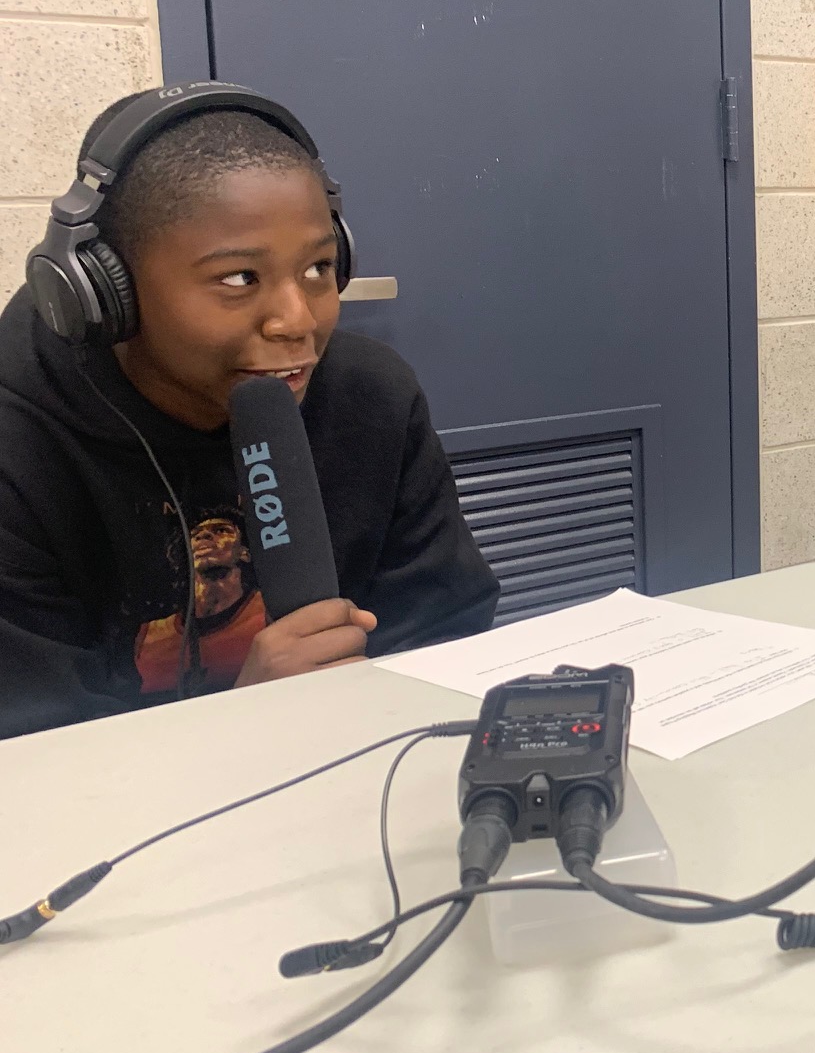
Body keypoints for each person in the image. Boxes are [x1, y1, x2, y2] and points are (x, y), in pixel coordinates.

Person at [0, 86, 499, 738]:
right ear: (107, 290)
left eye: (319, 268)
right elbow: (36, 754)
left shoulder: (372, 397)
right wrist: (244, 720)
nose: (298, 322)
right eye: (239, 279)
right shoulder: (20, 446)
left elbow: (445, 633)